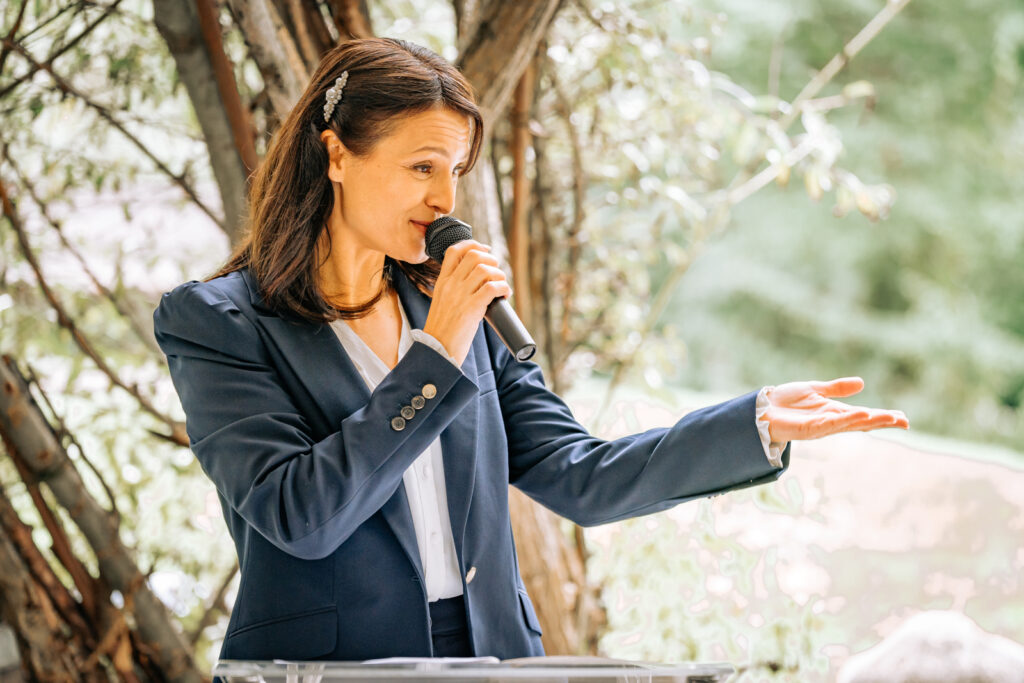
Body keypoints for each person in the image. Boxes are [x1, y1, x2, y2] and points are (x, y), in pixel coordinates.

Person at [153, 37, 908, 662]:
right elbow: (301, 515)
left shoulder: (453, 310)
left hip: (493, 658)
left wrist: (755, 424)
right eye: (422, 166)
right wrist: (436, 354)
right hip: (329, 671)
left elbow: (581, 475)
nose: (445, 200)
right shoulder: (220, 322)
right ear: (337, 155)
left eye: (454, 172)